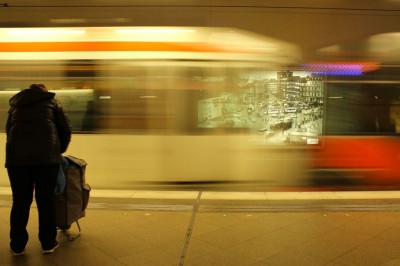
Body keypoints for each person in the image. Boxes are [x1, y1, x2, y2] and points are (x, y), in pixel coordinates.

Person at [5, 84, 72, 255]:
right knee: (45, 201)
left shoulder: (15, 106)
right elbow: (65, 130)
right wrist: (58, 150)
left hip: (17, 161)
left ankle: (17, 246)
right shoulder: (53, 103)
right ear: (44, 92)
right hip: (46, 161)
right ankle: (48, 243)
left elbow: (9, 131)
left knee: (20, 202)